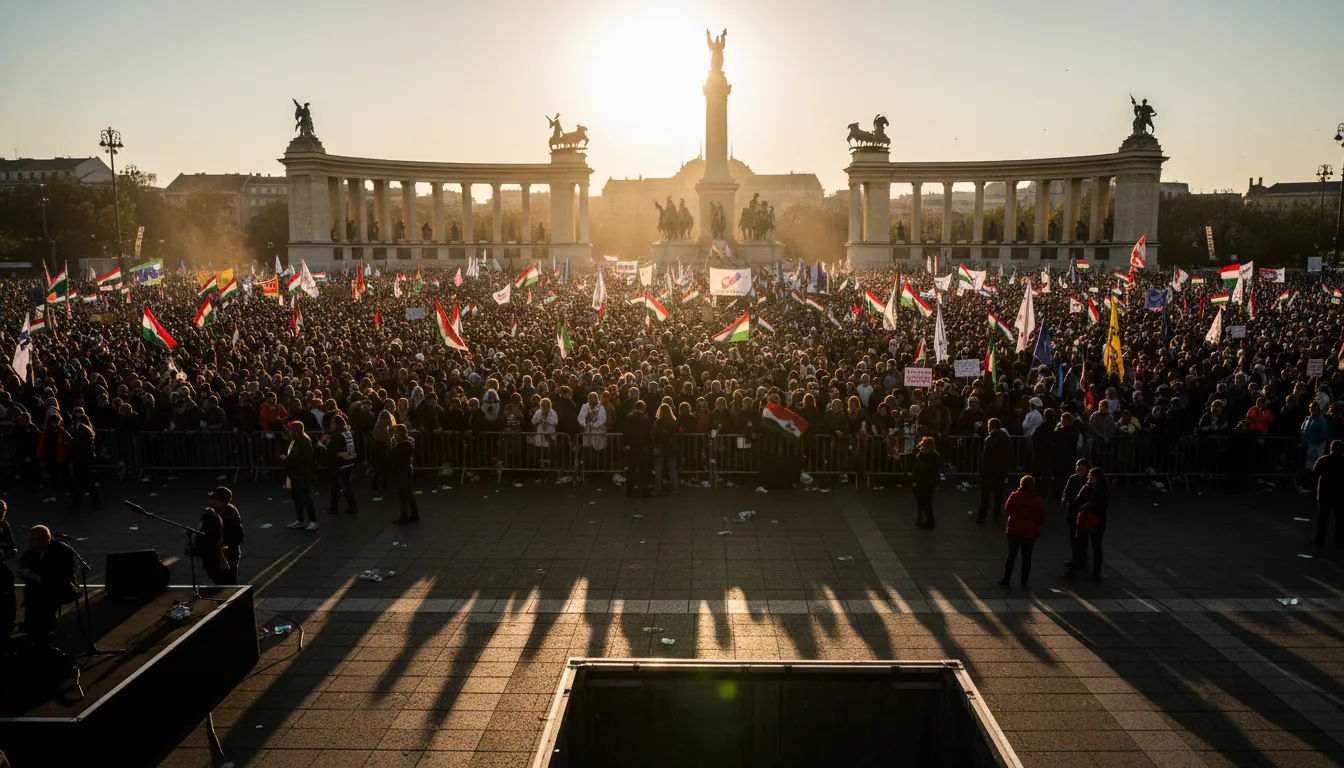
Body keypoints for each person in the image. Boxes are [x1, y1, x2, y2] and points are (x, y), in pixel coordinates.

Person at [17, 525, 78, 648]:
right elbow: (24, 564)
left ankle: (44, 631)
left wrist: (40, 578)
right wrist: (26, 574)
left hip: (57, 587)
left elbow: (63, 576)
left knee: (43, 603)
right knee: (33, 598)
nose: (31, 543)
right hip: (37, 588)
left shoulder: (63, 551)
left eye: (35, 540)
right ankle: (34, 628)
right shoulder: (32, 550)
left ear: (45, 538)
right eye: (31, 540)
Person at [1063, 467, 1109, 581]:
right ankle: (1077, 568)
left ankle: (1096, 573)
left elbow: (1102, 507)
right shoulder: (1086, 488)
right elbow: (1078, 501)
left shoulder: (1104, 491)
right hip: (1084, 520)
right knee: (1079, 546)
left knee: (1096, 547)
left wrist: (1089, 506)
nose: (1090, 479)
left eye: (1092, 477)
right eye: (1089, 477)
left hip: (1097, 522)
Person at [999, 475, 1045, 588]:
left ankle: (1006, 579)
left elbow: (1007, 509)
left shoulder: (1014, 496)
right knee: (1027, 558)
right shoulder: (1037, 501)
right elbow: (1041, 519)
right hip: (1029, 533)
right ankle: (1024, 582)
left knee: (1011, 555)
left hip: (1014, 530)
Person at [975, 417, 1014, 524]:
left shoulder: (990, 439)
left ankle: (982, 515)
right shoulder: (1006, 439)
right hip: (1001, 470)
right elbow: (1010, 455)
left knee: (986, 494)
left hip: (990, 470)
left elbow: (985, 456)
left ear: (990, 427)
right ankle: (996, 513)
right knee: (998, 492)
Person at [319, 413, 359, 515]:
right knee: (337, 486)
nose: (331, 424)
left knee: (344, 486)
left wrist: (322, 446)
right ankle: (335, 507)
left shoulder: (337, 433)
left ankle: (351, 507)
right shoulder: (347, 432)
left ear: (336, 423)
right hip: (348, 461)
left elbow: (333, 450)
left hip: (340, 464)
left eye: (333, 422)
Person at [284, 421, 318, 531]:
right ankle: (300, 519)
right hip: (297, 474)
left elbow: (302, 459)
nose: (289, 432)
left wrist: (287, 460)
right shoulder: (298, 440)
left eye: (291, 430)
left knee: (306, 498)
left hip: (302, 475)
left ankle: (313, 521)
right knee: (297, 498)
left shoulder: (303, 442)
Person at [1060, 458, 1092, 572]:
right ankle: (1075, 559)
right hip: (1074, 512)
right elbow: (1066, 491)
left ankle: (1082, 562)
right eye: (1078, 468)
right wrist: (1066, 500)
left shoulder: (1088, 482)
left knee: (1082, 539)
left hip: (1083, 512)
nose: (1080, 470)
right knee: (1073, 537)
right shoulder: (1073, 478)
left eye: (1082, 469)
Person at [1311, 440, 1344, 549]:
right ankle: (1339, 542)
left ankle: (1320, 540)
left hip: (1325, 492)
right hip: (1340, 494)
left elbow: (1315, 476)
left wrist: (1314, 491)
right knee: (1339, 519)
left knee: (1323, 518)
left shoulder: (1323, 460)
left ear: (1331, 448)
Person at [208, 487, 244, 584]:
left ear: (222, 502)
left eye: (215, 500)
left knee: (229, 576)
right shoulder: (216, 512)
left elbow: (237, 536)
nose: (211, 502)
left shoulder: (227, 514)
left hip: (228, 550)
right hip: (221, 549)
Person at [389, 424, 419, 524]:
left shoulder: (400, 446)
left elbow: (390, 455)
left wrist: (392, 446)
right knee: (409, 493)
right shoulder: (409, 443)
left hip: (401, 470)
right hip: (407, 469)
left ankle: (404, 517)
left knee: (403, 495)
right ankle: (414, 514)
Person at [912, 436, 942, 529]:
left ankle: (928, 520)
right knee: (924, 501)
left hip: (925, 482)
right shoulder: (933, 456)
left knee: (925, 502)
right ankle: (925, 519)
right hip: (927, 481)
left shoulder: (925, 456)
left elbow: (919, 469)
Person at [624, 401, 652, 498]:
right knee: (643, 470)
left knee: (631, 469)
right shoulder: (645, 419)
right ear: (643, 408)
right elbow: (648, 435)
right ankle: (645, 492)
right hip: (642, 447)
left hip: (631, 447)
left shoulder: (629, 417)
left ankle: (629, 491)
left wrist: (626, 444)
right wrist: (648, 447)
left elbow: (625, 432)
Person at [651, 402, 680, 495]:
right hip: (671, 448)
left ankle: (657, 488)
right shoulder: (673, 422)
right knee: (672, 470)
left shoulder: (658, 423)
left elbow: (654, 434)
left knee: (658, 471)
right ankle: (675, 488)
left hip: (660, 447)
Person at [0, 500, 17, 635]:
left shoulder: (4, 526)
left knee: (9, 590)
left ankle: (9, 620)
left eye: (3, 511)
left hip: (2, 564)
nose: (2, 514)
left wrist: (8, 553)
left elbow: (13, 546)